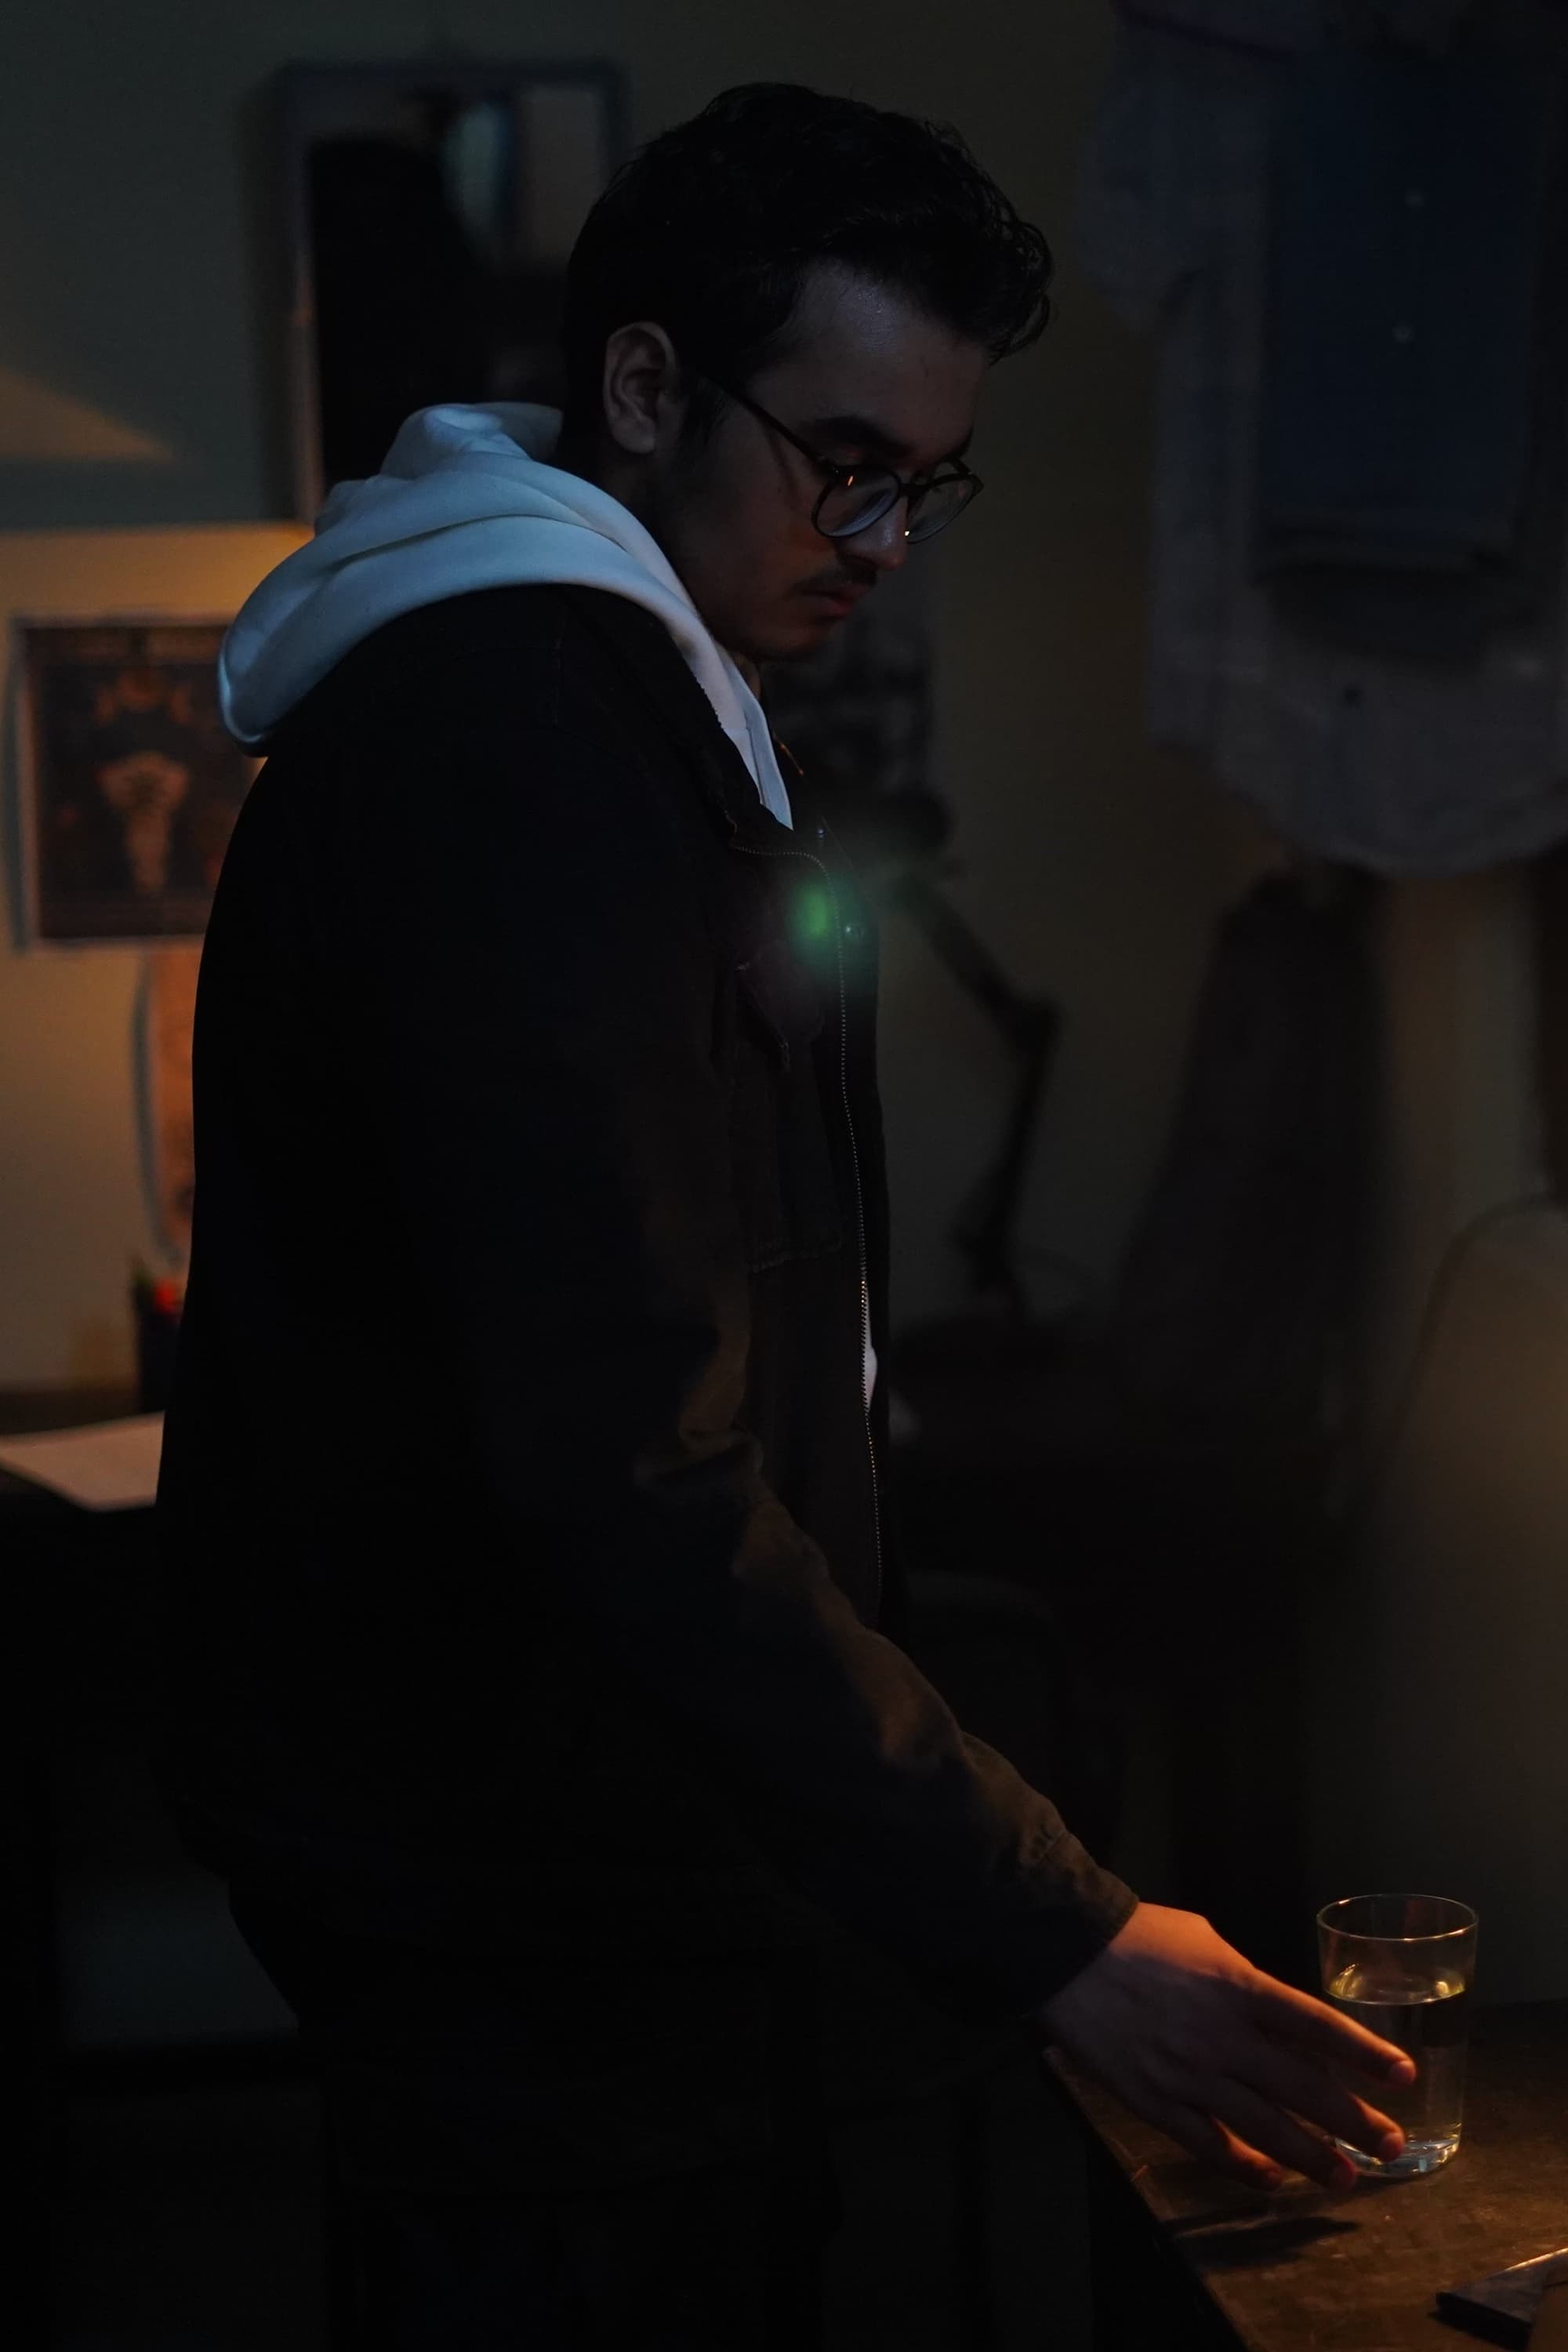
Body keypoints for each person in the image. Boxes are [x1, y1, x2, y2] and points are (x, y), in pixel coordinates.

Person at [156, 82, 1414, 2350]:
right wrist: (1055, 1927)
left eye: (926, 481)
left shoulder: (606, 703)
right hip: (532, 1888)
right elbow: (621, 1455)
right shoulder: (521, 748)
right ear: (645, 385)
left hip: (582, 1860)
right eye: (845, 463)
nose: (888, 540)